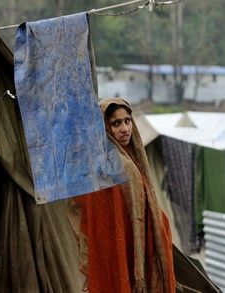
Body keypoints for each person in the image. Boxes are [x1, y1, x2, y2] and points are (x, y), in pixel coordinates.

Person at [71, 97, 176, 292]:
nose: (125, 129)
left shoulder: (133, 160)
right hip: (115, 251)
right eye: (116, 123)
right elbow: (99, 217)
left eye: (127, 121)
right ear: (104, 127)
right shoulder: (106, 165)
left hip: (136, 246)